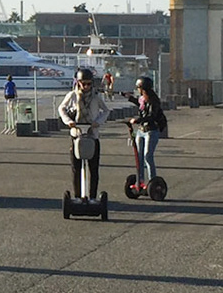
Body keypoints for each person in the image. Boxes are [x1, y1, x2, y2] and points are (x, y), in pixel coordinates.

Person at [56, 67, 112, 197]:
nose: (86, 86)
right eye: (83, 83)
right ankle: (77, 197)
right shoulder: (73, 95)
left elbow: (106, 111)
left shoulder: (96, 97)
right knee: (76, 169)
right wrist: (68, 121)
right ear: (78, 82)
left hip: (93, 135)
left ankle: (92, 196)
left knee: (93, 169)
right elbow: (61, 108)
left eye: (89, 84)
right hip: (77, 135)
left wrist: (98, 121)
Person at [125, 75, 167, 186]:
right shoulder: (143, 99)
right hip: (141, 131)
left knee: (147, 156)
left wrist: (138, 120)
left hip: (151, 131)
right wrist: (128, 97)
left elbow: (151, 116)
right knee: (139, 157)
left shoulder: (154, 101)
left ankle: (153, 182)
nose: (137, 90)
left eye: (138, 88)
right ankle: (140, 181)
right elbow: (140, 104)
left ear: (142, 88)